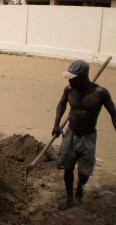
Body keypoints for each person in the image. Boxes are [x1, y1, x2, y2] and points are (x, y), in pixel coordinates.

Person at [51, 60, 116, 210]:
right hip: (70, 134)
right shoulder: (69, 89)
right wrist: (56, 124)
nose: (69, 80)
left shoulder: (100, 93)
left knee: (84, 173)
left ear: (83, 76)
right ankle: (69, 198)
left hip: (88, 137)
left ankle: (80, 185)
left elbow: (113, 113)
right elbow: (62, 104)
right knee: (67, 167)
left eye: (72, 77)